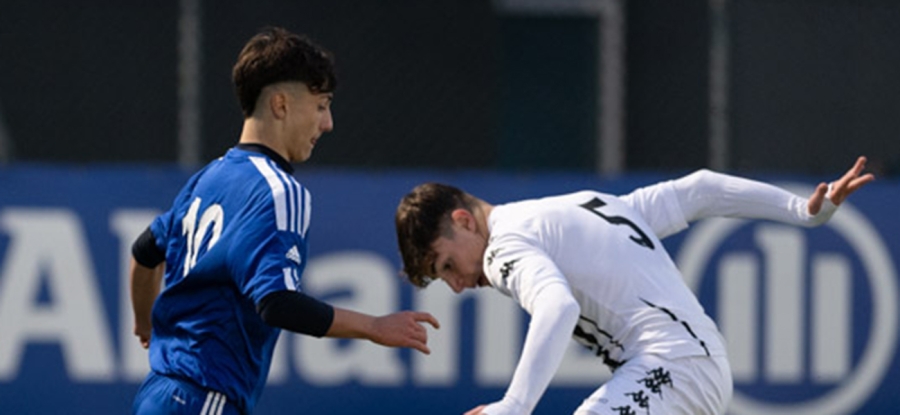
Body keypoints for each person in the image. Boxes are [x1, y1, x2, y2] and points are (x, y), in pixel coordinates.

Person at [395, 157, 874, 415]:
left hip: (670, 369)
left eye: (446, 265)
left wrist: (515, 407)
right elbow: (700, 189)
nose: (456, 285)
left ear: (464, 221)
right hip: (699, 368)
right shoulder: (583, 205)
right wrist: (799, 211)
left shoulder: (503, 247)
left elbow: (557, 307)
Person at [130, 27, 439, 415]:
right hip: (204, 395)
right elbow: (277, 304)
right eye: (321, 105)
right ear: (280, 104)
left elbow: (144, 252)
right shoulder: (278, 190)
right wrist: (374, 327)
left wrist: (144, 322)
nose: (328, 123)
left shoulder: (210, 177)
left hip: (159, 393)